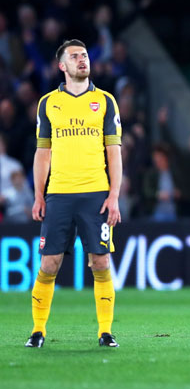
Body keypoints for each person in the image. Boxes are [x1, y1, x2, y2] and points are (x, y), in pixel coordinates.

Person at [25, 39, 122, 348]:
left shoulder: (105, 100)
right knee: (49, 264)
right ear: (62, 66)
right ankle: (38, 330)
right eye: (75, 56)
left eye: (85, 55)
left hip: (95, 193)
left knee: (101, 262)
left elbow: (114, 151)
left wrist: (114, 195)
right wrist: (39, 195)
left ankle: (105, 332)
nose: (83, 60)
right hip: (59, 194)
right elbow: (43, 154)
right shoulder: (47, 103)